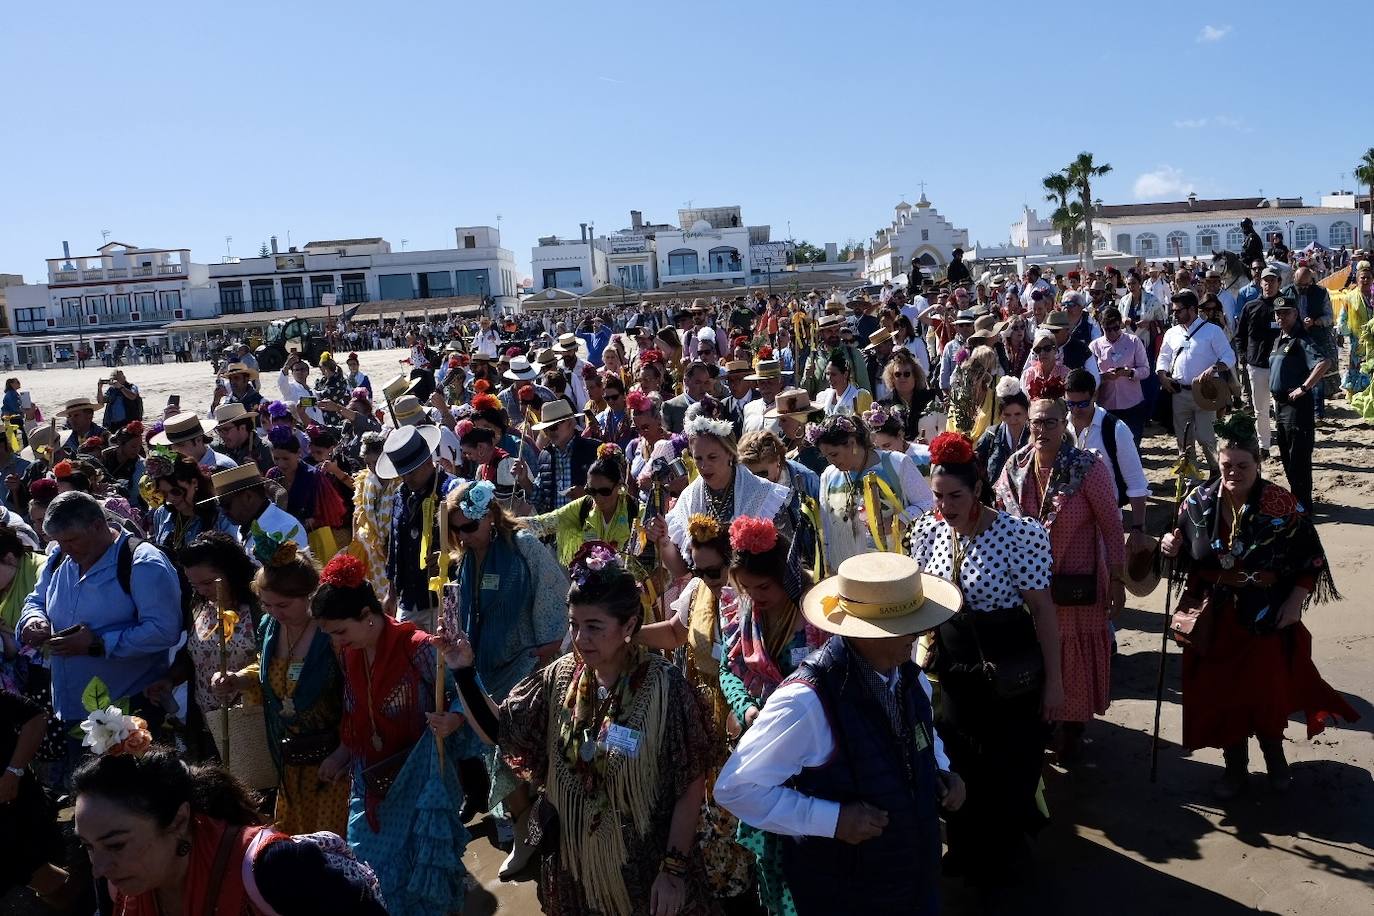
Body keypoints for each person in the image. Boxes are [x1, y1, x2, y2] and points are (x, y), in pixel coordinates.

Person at [440, 543, 721, 916]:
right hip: (574, 871)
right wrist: (463, 669)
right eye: (573, 624)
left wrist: (672, 871)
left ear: (630, 626)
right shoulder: (559, 678)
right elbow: (501, 731)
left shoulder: (665, 688)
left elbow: (690, 786)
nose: (579, 638)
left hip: (645, 874)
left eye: (593, 627)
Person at [715, 551, 964, 915]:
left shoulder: (911, 678)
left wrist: (941, 770)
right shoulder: (806, 702)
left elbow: (924, 735)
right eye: (907, 625)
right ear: (867, 633)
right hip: (844, 893)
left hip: (911, 879)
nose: (918, 635)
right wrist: (832, 820)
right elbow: (735, 789)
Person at [1159, 414, 1358, 799]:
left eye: (1242, 465)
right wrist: (1170, 546)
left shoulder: (1281, 504)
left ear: (1258, 463)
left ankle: (1275, 758)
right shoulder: (1197, 502)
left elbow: (1311, 559)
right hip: (1213, 618)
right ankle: (1235, 768)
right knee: (1223, 694)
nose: (1233, 472)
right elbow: (1183, 553)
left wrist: (1296, 602)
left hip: (1264, 615)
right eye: (1226, 465)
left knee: (1264, 692)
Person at [904, 433, 1062, 882]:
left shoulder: (1019, 534)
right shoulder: (926, 530)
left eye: (955, 495)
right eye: (937, 496)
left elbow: (1044, 613)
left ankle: (1006, 854)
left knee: (1009, 765)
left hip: (1011, 668)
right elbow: (921, 605)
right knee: (956, 760)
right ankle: (967, 847)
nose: (946, 506)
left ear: (978, 490)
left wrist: (1056, 682)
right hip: (953, 670)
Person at [308, 553, 469, 913]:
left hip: (420, 777)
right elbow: (354, 712)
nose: (337, 642)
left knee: (421, 871)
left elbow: (463, 695)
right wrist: (341, 753)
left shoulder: (421, 648)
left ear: (368, 618)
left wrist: (454, 719)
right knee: (369, 869)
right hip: (370, 780)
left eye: (340, 632)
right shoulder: (350, 653)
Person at [73, 747, 384, 916]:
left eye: (116, 845)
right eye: (87, 846)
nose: (99, 869)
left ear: (178, 820)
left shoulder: (275, 869)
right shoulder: (121, 886)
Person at [444, 480, 568, 872]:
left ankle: (533, 839)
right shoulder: (466, 559)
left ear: (490, 517)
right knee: (505, 762)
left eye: (469, 528)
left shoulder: (524, 547)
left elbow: (553, 592)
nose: (462, 537)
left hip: (525, 667)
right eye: (456, 529)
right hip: (484, 669)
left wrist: (544, 652)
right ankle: (529, 835)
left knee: (516, 760)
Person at [993, 397, 1125, 761]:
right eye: (1036, 423)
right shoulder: (1015, 466)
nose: (1041, 430)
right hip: (1029, 585)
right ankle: (1042, 721)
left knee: (1073, 656)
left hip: (1076, 581)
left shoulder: (1087, 467)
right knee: (1036, 651)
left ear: (1063, 423)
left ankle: (1073, 729)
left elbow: (1112, 525)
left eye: (1050, 423)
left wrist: (1116, 580)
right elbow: (999, 520)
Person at [142, 533, 259, 761]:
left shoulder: (258, 608)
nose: (202, 590)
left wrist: (239, 678)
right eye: (194, 584)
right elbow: (195, 656)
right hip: (207, 722)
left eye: (207, 583)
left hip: (250, 719)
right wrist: (170, 679)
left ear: (231, 572)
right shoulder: (199, 606)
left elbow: (271, 659)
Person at [655, 399, 791, 580]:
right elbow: (683, 571)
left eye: (712, 457)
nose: (704, 466)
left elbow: (784, 560)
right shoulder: (689, 498)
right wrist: (663, 541)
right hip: (706, 596)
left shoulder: (763, 494)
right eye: (698, 458)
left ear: (729, 453)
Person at [813, 414, 934, 572]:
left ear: (852, 443)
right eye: (826, 456)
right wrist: (829, 563)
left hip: (892, 566)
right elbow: (827, 525)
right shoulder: (829, 476)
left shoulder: (896, 463)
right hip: (848, 569)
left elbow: (929, 502)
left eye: (834, 454)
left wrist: (900, 519)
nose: (831, 461)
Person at [1156, 289, 1237, 477]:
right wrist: (1162, 375)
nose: (1174, 314)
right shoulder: (1171, 333)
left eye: (1178, 310)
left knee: (1206, 437)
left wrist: (1214, 368)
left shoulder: (1212, 331)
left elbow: (1229, 356)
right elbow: (1164, 357)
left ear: (1191, 309)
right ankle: (1191, 478)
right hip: (1179, 392)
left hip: (1205, 392)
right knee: (1183, 440)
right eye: (1173, 311)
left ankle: (1216, 473)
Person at [1064, 368, 1151, 535]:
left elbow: (1136, 483)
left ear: (1094, 396)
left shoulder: (1116, 429)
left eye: (1082, 404)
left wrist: (1138, 527)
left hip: (1106, 521)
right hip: (1069, 522)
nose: (1075, 410)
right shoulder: (1060, 426)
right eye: (1070, 404)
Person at [522, 445, 639, 566]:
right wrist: (506, 523)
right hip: (590, 582)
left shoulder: (637, 511)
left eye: (605, 491)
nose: (597, 498)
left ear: (619, 486)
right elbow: (544, 523)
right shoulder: (584, 505)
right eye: (591, 491)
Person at [1268, 298, 1330, 509]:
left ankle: (1303, 504)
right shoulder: (1280, 338)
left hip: (1297, 407)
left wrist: (1304, 388)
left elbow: (1323, 362)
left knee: (1299, 458)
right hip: (1280, 406)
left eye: (1286, 313)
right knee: (1286, 455)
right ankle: (1296, 501)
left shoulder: (1301, 337)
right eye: (1278, 313)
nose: (1281, 317)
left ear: (1295, 314)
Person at [145, 452, 241, 561]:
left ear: (194, 482)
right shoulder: (161, 513)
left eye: (176, 492)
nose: (170, 499)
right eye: (164, 493)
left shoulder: (222, 516)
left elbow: (233, 559)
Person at [267, 426, 347, 550]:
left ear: (298, 453)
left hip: (311, 541)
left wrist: (305, 523)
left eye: (286, 458)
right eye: (276, 458)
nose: (281, 464)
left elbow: (327, 515)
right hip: (280, 540)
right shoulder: (272, 475)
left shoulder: (314, 476)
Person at [209, 463, 311, 554]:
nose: (224, 512)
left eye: (226, 505)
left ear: (248, 497)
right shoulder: (243, 527)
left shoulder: (286, 528)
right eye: (220, 507)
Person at [1089, 307, 1151, 442]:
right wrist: (1103, 376)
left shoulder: (1134, 341)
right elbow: (1090, 376)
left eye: (1115, 328)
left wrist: (1130, 372)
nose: (1112, 333)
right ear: (1101, 327)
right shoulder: (1095, 346)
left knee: (1133, 444)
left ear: (1120, 324)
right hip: (1106, 405)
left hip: (1132, 404)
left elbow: (1145, 370)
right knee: (1110, 447)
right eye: (1107, 329)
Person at [975, 377, 1031, 486]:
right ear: (1001, 415)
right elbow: (978, 465)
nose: (1013, 420)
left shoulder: (1033, 435)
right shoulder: (991, 435)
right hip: (995, 496)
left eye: (1018, 414)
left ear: (1026, 413)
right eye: (1007, 415)